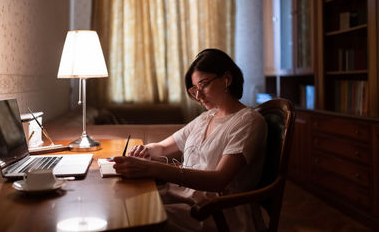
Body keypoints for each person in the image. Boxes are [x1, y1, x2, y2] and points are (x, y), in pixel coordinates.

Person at [113, 48, 268, 231]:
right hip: (185, 198)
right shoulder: (206, 118)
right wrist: (145, 150)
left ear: (227, 79)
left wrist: (153, 168)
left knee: (136, 216)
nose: (198, 95)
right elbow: (163, 148)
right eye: (195, 89)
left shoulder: (248, 121)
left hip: (217, 212)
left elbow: (219, 180)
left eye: (203, 85)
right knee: (126, 204)